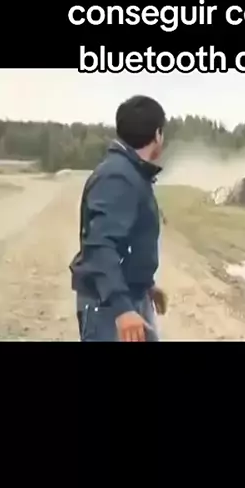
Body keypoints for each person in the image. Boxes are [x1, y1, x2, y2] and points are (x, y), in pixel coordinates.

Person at [70, 95, 167, 342]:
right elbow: (100, 245)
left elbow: (129, 239)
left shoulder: (130, 173)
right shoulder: (118, 176)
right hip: (110, 307)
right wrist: (122, 307)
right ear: (157, 134)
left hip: (128, 297)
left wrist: (145, 283)